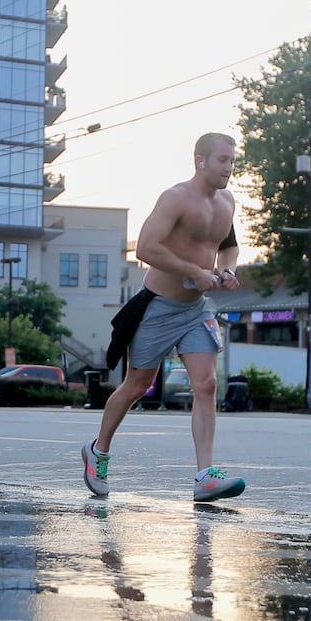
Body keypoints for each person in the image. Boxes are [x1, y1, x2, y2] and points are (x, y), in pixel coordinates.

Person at [81, 132, 245, 502]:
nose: (229, 168)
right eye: (222, 160)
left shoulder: (227, 202)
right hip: (158, 306)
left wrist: (226, 269)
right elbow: (147, 247)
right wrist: (194, 270)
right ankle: (98, 452)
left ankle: (205, 475)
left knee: (206, 384)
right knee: (137, 386)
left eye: (232, 161)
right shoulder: (176, 198)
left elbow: (229, 246)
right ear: (200, 160)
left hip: (196, 309)